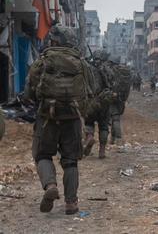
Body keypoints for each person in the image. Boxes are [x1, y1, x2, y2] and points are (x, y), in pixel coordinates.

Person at [24, 25, 94, 215]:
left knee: (43, 155)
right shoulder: (82, 64)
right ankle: (71, 203)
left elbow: (28, 93)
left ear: (54, 40)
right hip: (72, 119)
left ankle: (50, 185)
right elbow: (91, 91)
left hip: (47, 117)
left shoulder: (42, 62)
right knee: (71, 161)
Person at [83, 50, 114, 159]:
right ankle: (102, 151)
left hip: (91, 101)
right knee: (104, 126)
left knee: (89, 122)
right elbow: (112, 85)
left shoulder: (88, 69)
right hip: (105, 101)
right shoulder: (108, 70)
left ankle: (90, 137)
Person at [108, 56, 131, 145]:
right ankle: (112, 139)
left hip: (113, 97)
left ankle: (118, 139)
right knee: (115, 117)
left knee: (115, 119)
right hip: (121, 98)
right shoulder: (123, 71)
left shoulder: (111, 71)